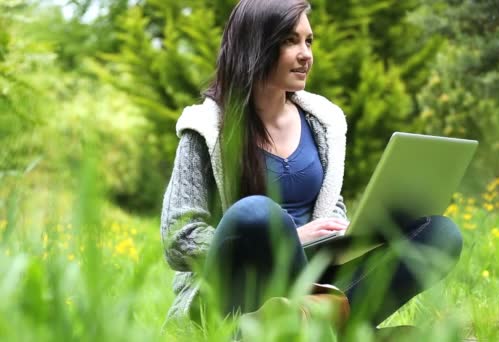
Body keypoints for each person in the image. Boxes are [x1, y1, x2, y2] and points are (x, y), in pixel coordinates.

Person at [160, 0, 463, 331]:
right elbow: (179, 237)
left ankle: (310, 324)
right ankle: (324, 325)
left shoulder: (323, 121)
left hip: (318, 271)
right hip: (241, 286)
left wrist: (349, 231)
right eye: (291, 41)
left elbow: (330, 208)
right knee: (257, 214)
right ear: (255, 46)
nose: (306, 54)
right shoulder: (206, 128)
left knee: (440, 233)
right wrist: (292, 237)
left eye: (309, 41)